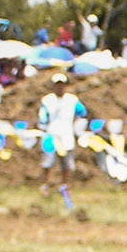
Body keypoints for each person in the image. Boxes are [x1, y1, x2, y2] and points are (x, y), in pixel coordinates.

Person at [37, 72, 85, 204]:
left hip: (67, 134)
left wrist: (78, 127)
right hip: (51, 134)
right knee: (47, 162)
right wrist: (43, 128)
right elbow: (42, 117)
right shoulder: (47, 100)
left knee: (67, 164)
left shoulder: (72, 100)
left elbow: (82, 112)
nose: (59, 87)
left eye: (62, 85)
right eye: (57, 85)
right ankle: (45, 186)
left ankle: (65, 186)